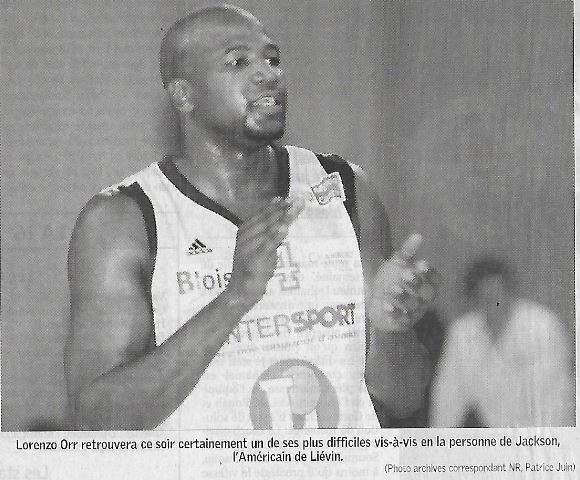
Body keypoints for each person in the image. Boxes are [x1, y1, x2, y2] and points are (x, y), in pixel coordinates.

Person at [65, 4, 436, 430]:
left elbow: (403, 397)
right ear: (184, 95)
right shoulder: (124, 220)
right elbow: (99, 418)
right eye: (238, 62)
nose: (268, 74)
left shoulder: (343, 188)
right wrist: (235, 297)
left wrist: (391, 330)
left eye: (272, 59)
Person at [430, 256, 574, 427]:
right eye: (485, 297)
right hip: (497, 435)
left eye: (498, 294)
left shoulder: (542, 326)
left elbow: (551, 400)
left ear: (510, 293)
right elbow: (448, 396)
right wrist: (439, 439)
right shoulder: (462, 333)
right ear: (474, 300)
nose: (494, 303)